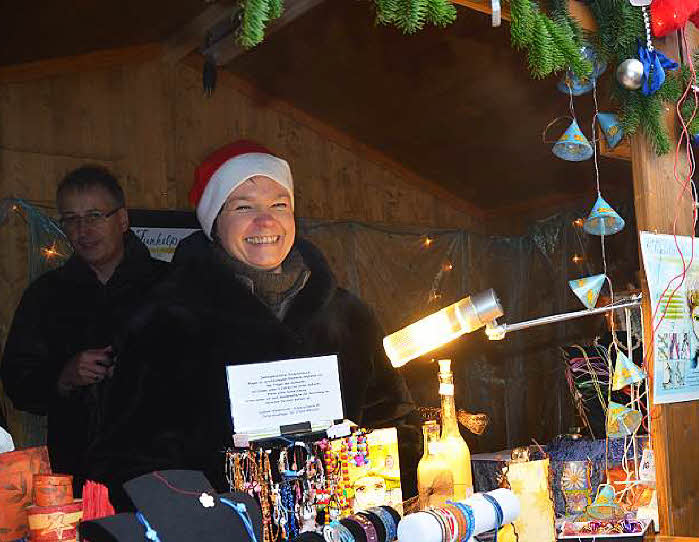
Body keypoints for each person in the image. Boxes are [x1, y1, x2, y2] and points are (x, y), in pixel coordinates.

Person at [87, 141, 414, 499]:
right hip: (220, 538)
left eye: (279, 204)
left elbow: (393, 420)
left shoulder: (349, 315)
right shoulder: (163, 321)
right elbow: (127, 457)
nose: (266, 221)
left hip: (341, 533)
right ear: (214, 223)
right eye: (244, 206)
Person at [0, 166, 167, 489]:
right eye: (71, 219)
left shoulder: (169, 286)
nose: (82, 230)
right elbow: (17, 382)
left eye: (94, 216)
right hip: (78, 475)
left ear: (122, 220)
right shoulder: (45, 295)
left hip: (162, 472)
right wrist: (63, 376)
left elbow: (205, 378)